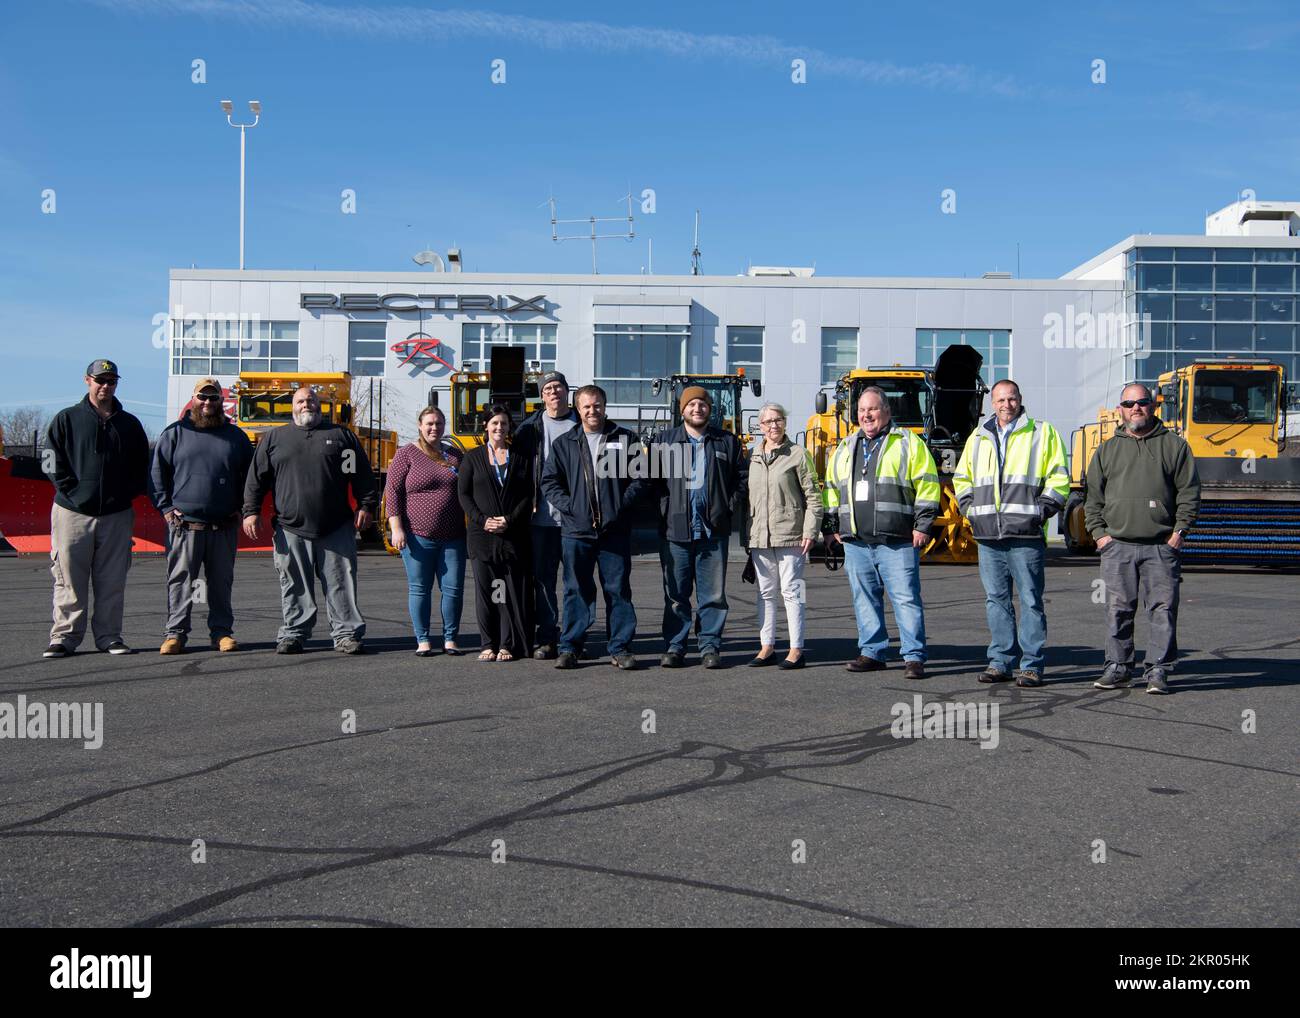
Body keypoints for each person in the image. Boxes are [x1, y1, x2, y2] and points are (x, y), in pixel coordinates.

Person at [242, 385, 377, 654]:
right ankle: (294, 633)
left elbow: (361, 475)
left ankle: (346, 634)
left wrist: (366, 505)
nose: (307, 405)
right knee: (294, 584)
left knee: (341, 583)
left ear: (320, 405)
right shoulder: (274, 439)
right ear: (292, 406)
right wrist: (251, 511)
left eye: (312, 400)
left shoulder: (341, 437)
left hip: (336, 527)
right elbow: (256, 479)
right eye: (301, 401)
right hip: (290, 527)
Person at [952, 379, 1070, 687]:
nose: (1007, 404)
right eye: (1001, 400)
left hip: (1026, 535)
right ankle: (1000, 662)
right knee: (996, 600)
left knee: (1030, 600)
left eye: (1012, 398)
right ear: (993, 403)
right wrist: (969, 509)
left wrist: (1040, 511)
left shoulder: (1042, 432)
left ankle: (1031, 665)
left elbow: (1059, 478)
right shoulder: (978, 436)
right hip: (988, 534)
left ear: (1020, 399)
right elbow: (961, 477)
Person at [1085, 382, 1200, 694]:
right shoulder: (1107, 449)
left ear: (1154, 406)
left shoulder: (1174, 446)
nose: (1135, 408)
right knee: (1117, 610)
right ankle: (1118, 667)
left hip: (1160, 548)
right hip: (1117, 547)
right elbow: (1092, 498)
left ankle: (1159, 670)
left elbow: (1189, 494)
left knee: (1162, 610)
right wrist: (1100, 536)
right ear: (1120, 409)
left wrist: (1178, 533)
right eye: (1128, 403)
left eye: (1142, 402)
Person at [823, 386, 940, 678]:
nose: (867, 415)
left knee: (905, 599)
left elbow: (927, 485)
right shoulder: (846, 446)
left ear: (886, 411)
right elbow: (831, 490)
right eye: (862, 410)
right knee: (864, 598)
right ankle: (872, 652)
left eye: (872, 409)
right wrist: (830, 528)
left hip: (897, 540)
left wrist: (922, 525)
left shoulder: (908, 443)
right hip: (856, 541)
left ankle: (913, 657)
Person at [41, 359, 150, 658]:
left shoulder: (129, 425)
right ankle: (64, 638)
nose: (106, 386)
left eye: (111, 381)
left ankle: (110, 637)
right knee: (68, 579)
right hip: (72, 513)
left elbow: (143, 465)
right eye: (100, 380)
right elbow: (50, 460)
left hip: (116, 515)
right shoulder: (67, 419)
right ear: (87, 380)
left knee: (112, 580)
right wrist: (71, 491)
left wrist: (127, 494)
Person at [540, 384, 648, 670]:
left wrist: (619, 508)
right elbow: (550, 482)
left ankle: (620, 647)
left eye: (597, 405)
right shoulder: (565, 443)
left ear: (605, 405)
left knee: (618, 590)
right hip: (577, 532)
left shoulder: (625, 439)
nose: (592, 410)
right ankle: (570, 647)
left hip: (614, 532)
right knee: (576, 590)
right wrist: (572, 508)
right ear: (578, 409)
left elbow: (640, 480)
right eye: (586, 406)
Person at [149, 378, 254, 654]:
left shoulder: (236, 437)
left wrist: (244, 508)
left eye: (214, 398)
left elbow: (251, 478)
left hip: (223, 526)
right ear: (193, 399)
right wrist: (166, 508)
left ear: (221, 401)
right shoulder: (174, 433)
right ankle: (175, 634)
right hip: (185, 526)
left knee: (221, 582)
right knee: (181, 581)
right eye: (202, 397)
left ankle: (221, 633)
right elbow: (157, 473)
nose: (208, 402)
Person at [645, 386, 747, 669]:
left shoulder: (727, 441)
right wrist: (665, 507)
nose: (697, 408)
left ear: (709, 409)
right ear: (682, 410)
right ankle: (675, 646)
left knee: (713, 596)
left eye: (702, 404)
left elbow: (742, 478)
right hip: (675, 531)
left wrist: (727, 506)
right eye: (691, 404)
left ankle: (710, 646)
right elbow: (650, 482)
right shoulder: (664, 441)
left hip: (713, 532)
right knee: (676, 595)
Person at [743, 401, 820, 670]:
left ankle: (796, 649)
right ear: (760, 427)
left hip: (791, 535)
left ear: (785, 422)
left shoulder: (798, 454)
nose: (773, 425)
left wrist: (811, 530)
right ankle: (767, 647)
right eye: (767, 422)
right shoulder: (753, 455)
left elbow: (813, 496)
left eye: (778, 420)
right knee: (765, 593)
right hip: (760, 538)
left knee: (792, 592)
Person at [385, 406, 466, 657]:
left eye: (439, 424)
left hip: (453, 537)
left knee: (453, 589)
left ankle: (450, 639)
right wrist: (396, 528)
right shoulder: (406, 454)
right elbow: (393, 493)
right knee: (420, 589)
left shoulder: (454, 455)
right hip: (417, 536)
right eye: (429, 423)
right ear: (420, 426)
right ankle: (423, 639)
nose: (434, 428)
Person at [458, 404, 534, 661]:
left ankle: (506, 644)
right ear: (486, 427)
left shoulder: (521, 457)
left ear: (509, 427)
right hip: (482, 536)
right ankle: (487, 644)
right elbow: (464, 494)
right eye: (494, 423)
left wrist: (509, 520)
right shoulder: (472, 457)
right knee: (487, 591)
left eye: (503, 423)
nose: (499, 428)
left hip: (513, 535)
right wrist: (482, 520)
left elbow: (528, 494)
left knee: (508, 591)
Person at [513, 371, 580, 659]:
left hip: (577, 519)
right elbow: (516, 472)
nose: (554, 392)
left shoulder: (584, 423)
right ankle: (548, 637)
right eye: (548, 388)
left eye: (559, 387)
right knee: (544, 581)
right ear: (542, 396)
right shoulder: (529, 429)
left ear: (568, 392)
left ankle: (575, 638)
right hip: (541, 519)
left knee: (577, 582)